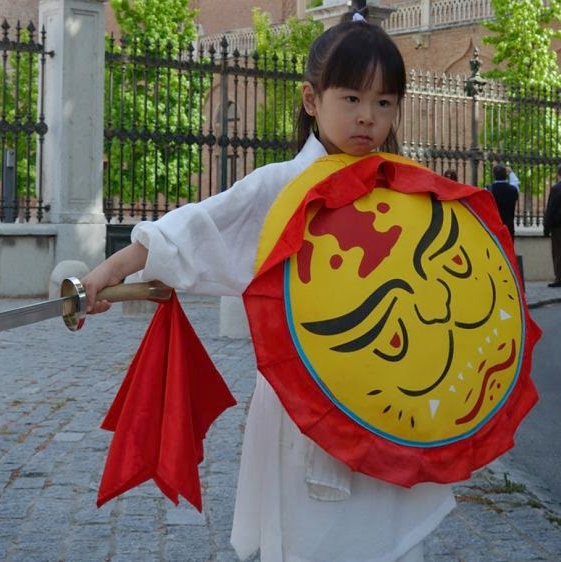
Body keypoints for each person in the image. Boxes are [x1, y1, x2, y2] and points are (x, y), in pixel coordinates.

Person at [82, 20, 454, 562]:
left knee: (387, 535)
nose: (368, 117)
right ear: (311, 98)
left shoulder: (408, 192)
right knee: (312, 535)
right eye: (351, 97)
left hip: (387, 398)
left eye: (384, 102)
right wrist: (115, 266)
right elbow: (200, 227)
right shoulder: (282, 187)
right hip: (305, 399)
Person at [488, 163, 518, 240]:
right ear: (506, 174)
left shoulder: (488, 189)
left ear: (494, 175)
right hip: (508, 226)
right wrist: (511, 172)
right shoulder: (513, 190)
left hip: (493, 226)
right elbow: (515, 183)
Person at [544, 163, 561, 287]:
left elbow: (551, 209)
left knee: (558, 252)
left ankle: (559, 278)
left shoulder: (556, 189)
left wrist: (546, 227)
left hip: (558, 226)